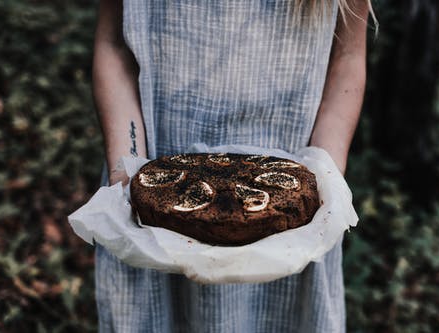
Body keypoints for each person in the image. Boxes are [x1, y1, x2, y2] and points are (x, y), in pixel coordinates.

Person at [92, 0, 372, 331]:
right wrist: (127, 167)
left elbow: (348, 56)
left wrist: (323, 172)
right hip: (150, 225)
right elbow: (114, 45)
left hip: (291, 234)